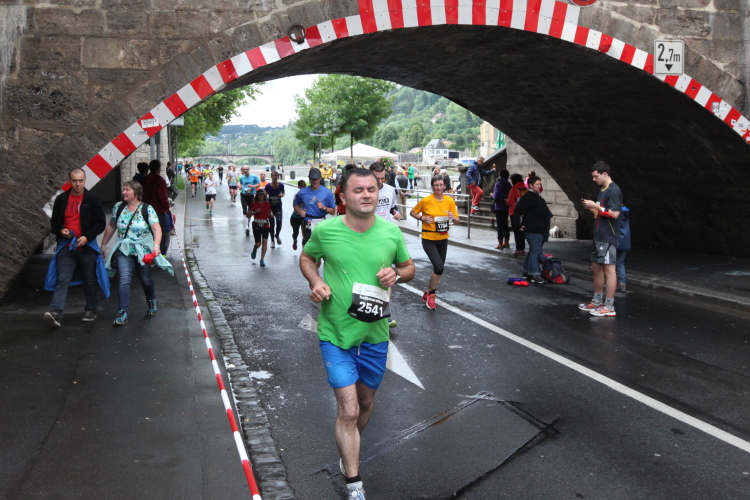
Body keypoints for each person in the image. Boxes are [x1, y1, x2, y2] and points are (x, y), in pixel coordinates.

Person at [299, 168, 415, 500]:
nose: (366, 195)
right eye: (358, 190)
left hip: (375, 335)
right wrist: (316, 281)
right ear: (343, 196)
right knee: (348, 409)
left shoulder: (390, 232)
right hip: (336, 333)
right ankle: (354, 483)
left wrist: (396, 274)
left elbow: (408, 268)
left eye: (371, 189)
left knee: (365, 403)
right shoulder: (327, 230)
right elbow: (307, 258)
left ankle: (349, 444)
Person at [101, 181, 173, 326]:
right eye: (123, 189)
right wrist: (104, 243)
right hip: (124, 249)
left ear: (136, 192)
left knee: (145, 279)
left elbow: (157, 229)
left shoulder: (147, 209)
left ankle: (151, 300)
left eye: (127, 190)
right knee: (124, 279)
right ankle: (122, 312)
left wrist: (156, 246)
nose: (124, 192)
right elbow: (112, 225)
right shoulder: (118, 207)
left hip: (143, 250)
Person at [43, 168, 108, 327]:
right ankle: (56, 312)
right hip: (66, 247)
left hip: (87, 247)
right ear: (69, 181)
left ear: (85, 181)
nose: (78, 184)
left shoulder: (92, 199)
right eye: (74, 181)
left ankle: (90, 309)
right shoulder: (62, 199)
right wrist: (60, 231)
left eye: (80, 181)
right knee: (62, 279)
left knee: (90, 279)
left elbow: (100, 223)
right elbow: (54, 223)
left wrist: (87, 237)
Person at [409, 175, 460, 310]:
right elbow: (412, 212)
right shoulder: (426, 201)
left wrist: (453, 218)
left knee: (439, 269)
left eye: (441, 185)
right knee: (438, 267)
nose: (438, 187)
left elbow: (457, 220)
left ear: (445, 186)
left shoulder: (449, 201)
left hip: (443, 239)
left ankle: (428, 292)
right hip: (429, 238)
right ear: (432, 186)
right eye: (436, 185)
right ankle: (432, 295)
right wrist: (422, 218)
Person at [579, 161, 623, 317]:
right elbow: (601, 213)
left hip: (608, 236)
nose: (594, 179)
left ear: (605, 174)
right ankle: (597, 301)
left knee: (609, 270)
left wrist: (596, 206)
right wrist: (591, 208)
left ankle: (609, 306)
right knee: (596, 267)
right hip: (599, 235)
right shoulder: (603, 190)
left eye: (596, 176)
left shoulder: (614, 190)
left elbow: (614, 214)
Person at [514, 175, 552, 284]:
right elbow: (517, 211)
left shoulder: (538, 197)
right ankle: (535, 273)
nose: (539, 186)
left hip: (540, 229)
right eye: (537, 184)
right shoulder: (527, 198)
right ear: (530, 185)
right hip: (532, 229)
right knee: (536, 251)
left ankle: (527, 271)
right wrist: (518, 225)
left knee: (533, 250)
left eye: (540, 184)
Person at [293, 167, 336, 247]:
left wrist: (323, 208)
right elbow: (296, 204)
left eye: (316, 179)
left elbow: (333, 211)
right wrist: (300, 212)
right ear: (309, 179)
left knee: (320, 247)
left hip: (321, 223)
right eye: (313, 179)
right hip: (308, 222)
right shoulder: (302, 192)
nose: (315, 181)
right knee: (307, 246)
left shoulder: (327, 192)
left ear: (320, 178)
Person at [141, 159, 171, 254]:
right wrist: (167, 207)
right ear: (159, 168)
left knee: (147, 233)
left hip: (145, 210)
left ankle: (147, 253)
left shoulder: (144, 180)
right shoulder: (160, 180)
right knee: (163, 233)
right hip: (158, 210)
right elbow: (163, 197)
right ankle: (161, 254)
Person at [249, 191, 272, 267]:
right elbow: (248, 215)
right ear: (257, 196)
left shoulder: (268, 204)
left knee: (265, 242)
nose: (261, 196)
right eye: (259, 195)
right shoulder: (254, 204)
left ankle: (262, 259)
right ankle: (255, 248)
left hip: (266, 225)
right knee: (258, 244)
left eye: (262, 195)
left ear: (264, 196)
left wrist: (271, 215)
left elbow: (270, 213)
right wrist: (255, 211)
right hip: (256, 225)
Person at [507, 173, 527, 256]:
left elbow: (510, 201)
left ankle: (519, 249)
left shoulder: (514, 188)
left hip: (515, 212)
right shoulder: (525, 187)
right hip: (525, 213)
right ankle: (523, 249)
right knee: (522, 230)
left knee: (517, 231)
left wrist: (506, 200)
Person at [491, 169, 512, 249]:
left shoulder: (498, 184)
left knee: (499, 225)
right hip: (506, 207)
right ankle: (506, 242)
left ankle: (500, 243)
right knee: (505, 224)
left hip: (499, 207)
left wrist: (492, 195)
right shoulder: (509, 184)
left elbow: (496, 197)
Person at [264, 170, 285, 247]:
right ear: (271, 176)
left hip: (278, 206)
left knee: (279, 222)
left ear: (278, 177)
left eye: (276, 175)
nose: (275, 177)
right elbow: (265, 197)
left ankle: (277, 235)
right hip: (270, 207)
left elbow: (283, 192)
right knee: (272, 224)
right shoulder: (268, 186)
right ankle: (272, 240)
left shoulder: (281, 185)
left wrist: (281, 195)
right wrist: (269, 210)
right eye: (273, 175)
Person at [239, 166, 260, 236]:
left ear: (249, 169)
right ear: (243, 170)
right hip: (243, 195)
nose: (245, 170)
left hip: (251, 196)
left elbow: (258, 184)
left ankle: (247, 224)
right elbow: (241, 184)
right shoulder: (242, 177)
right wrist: (240, 186)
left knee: (250, 211)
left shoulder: (254, 177)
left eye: (247, 169)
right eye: (244, 169)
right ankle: (246, 228)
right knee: (245, 211)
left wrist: (253, 186)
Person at [617, 206, 631, 293]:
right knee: (620, 263)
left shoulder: (614, 213)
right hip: (625, 242)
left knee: (610, 264)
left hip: (615, 241)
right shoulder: (626, 214)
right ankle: (622, 284)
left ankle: (610, 284)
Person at [290, 180, 307, 250]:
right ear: (299, 187)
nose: (303, 187)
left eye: (304, 186)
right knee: (295, 231)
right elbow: (294, 205)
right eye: (302, 186)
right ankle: (295, 240)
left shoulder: (308, 195)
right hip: (296, 216)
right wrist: (299, 207)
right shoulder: (297, 195)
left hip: (304, 217)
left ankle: (304, 247)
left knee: (305, 232)